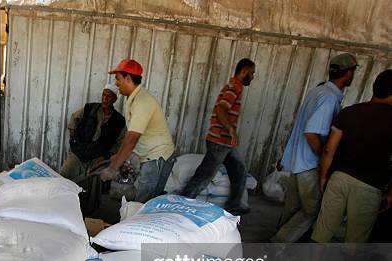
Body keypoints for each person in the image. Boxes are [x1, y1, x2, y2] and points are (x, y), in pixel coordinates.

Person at [271, 53, 358, 242]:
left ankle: (278, 241)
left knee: (293, 208)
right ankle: (278, 244)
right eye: (353, 71)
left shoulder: (317, 92)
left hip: (296, 161)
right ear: (348, 73)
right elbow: (311, 133)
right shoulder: (328, 98)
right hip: (308, 164)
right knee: (311, 211)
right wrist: (323, 159)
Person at [310, 69, 392, 243]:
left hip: (338, 179)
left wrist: (324, 176)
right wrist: (390, 193)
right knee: (355, 243)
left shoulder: (349, 112)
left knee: (321, 235)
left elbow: (328, 150)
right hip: (370, 188)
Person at [180, 58, 256, 215]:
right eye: (252, 73)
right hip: (220, 141)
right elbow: (221, 109)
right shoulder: (234, 87)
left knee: (239, 169)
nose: (253, 76)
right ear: (244, 72)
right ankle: (180, 204)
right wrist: (231, 130)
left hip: (225, 142)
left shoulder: (235, 86)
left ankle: (234, 204)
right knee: (204, 176)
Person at [100, 59, 175, 203]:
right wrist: (119, 156)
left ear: (128, 78)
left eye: (118, 78)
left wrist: (112, 169)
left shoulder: (142, 102)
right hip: (150, 156)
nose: (116, 83)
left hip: (157, 157)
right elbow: (132, 135)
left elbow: (132, 138)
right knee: (146, 199)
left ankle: (140, 224)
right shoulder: (133, 99)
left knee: (144, 200)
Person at [60, 84, 126, 181]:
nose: (105, 98)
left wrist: (106, 157)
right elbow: (74, 118)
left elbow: (119, 142)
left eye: (109, 96)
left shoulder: (119, 120)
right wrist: (73, 139)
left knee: (90, 183)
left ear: (115, 99)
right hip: (78, 153)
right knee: (64, 175)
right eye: (103, 95)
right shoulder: (90, 108)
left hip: (97, 158)